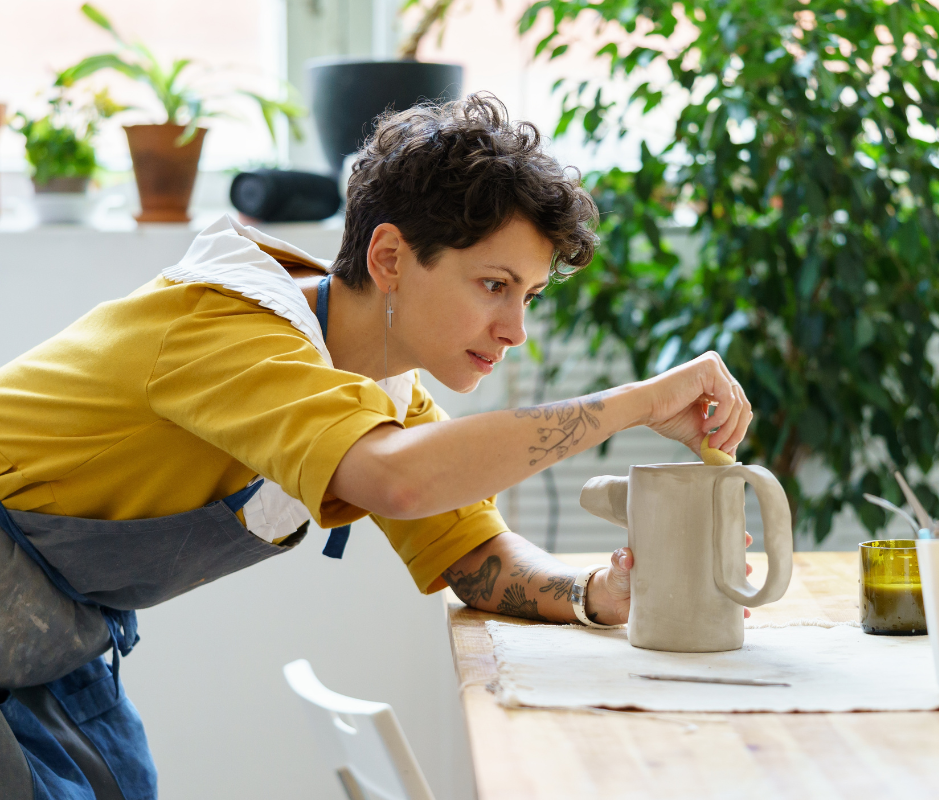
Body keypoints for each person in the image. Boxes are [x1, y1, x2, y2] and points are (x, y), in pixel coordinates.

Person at [0, 93, 752, 800]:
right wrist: (637, 401)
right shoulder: (226, 330)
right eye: (493, 285)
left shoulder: (379, 389)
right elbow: (400, 483)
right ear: (389, 258)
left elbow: (473, 555)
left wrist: (596, 593)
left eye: (528, 295)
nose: (515, 330)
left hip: (45, 647)